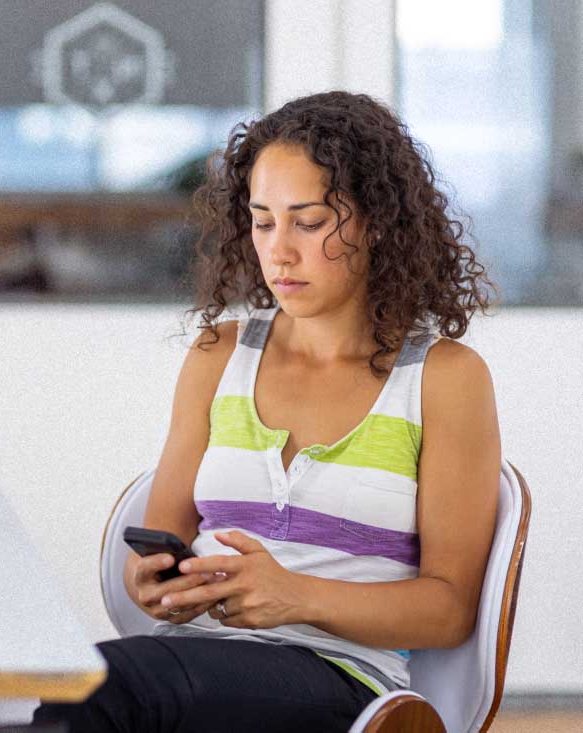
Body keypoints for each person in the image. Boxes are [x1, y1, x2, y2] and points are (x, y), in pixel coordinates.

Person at [34, 91, 501, 732]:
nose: (278, 251)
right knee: (79, 684)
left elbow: (449, 610)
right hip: (196, 660)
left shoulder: (443, 379)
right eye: (262, 221)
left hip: (342, 680)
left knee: (107, 686)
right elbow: (152, 554)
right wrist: (153, 582)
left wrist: (297, 595)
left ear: (376, 222)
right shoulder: (216, 358)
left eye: (308, 223)